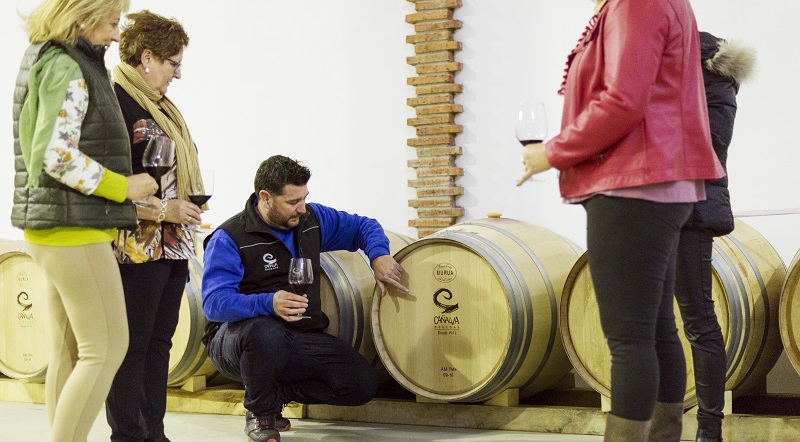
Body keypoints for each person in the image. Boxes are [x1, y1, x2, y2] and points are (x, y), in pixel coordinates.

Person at [517, 0, 725, 440]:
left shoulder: (635, 3)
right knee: (657, 332)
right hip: (657, 183)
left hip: (633, 182)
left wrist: (552, 152)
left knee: (629, 340)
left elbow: (623, 100)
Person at [11, 0, 158, 440]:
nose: (116, 34)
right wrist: (124, 187)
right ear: (82, 16)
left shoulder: (51, 57)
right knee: (107, 348)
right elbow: (57, 157)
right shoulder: (67, 66)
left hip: (54, 226)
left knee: (71, 351)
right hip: (74, 231)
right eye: (112, 22)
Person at [201, 155, 408, 442]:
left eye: (304, 198)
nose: (302, 208)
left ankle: (275, 394)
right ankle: (260, 414)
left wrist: (379, 255)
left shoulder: (311, 219)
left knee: (360, 383)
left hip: (296, 335)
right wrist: (268, 303)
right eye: (292, 201)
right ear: (265, 198)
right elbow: (214, 303)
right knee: (265, 331)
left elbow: (364, 226)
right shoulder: (230, 237)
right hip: (236, 341)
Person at [104, 10, 205, 442]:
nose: (177, 74)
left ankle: (154, 431)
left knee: (160, 343)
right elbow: (110, 184)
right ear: (147, 57)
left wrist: (183, 209)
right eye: (173, 63)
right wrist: (164, 210)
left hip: (173, 244)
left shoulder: (160, 107)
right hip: (135, 245)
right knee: (131, 345)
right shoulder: (116, 103)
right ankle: (127, 434)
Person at [675, 32, 755, 442]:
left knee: (698, 320)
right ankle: (661, 423)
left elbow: (711, 143)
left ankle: (710, 429)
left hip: (692, 210)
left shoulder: (716, 81)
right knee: (654, 324)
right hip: (651, 209)